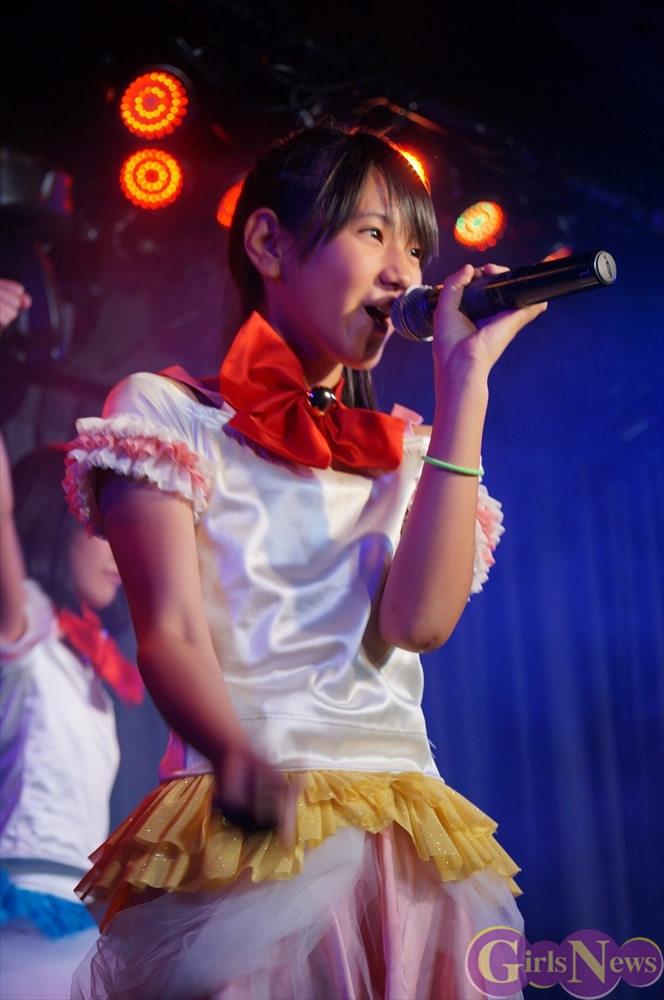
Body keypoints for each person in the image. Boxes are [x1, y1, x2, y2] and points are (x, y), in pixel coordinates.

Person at [65, 125, 546, 1000]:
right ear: (269, 243)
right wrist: (233, 751)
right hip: (256, 824)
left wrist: (465, 386)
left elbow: (419, 625)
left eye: (416, 249)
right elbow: (170, 628)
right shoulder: (168, 413)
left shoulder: (411, 453)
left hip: (404, 834)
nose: (402, 272)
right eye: (373, 233)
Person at [0, 287, 143, 1000]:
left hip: (71, 914)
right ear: (53, 522)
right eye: (102, 530)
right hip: (18, 908)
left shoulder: (89, 662)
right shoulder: (22, 623)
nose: (122, 552)